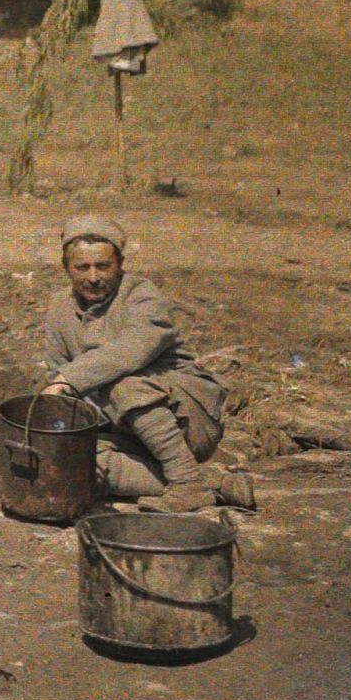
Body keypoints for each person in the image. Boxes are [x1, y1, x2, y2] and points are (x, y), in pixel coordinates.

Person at [44, 215, 253, 511]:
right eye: (82, 267)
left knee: (122, 385)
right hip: (123, 428)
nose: (93, 277)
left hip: (186, 419)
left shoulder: (141, 296)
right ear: (66, 268)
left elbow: (130, 351)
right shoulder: (59, 308)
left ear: (121, 263)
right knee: (73, 462)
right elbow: (58, 374)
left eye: (103, 266)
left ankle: (186, 483)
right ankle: (211, 482)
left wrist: (68, 380)